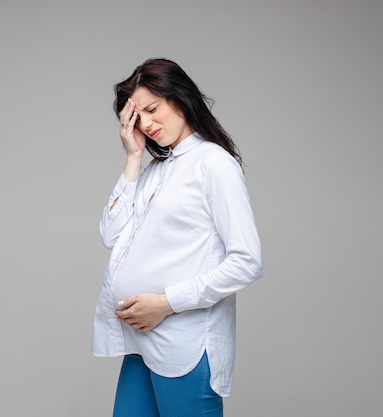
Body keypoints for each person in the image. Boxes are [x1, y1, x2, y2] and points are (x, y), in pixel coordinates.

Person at [92, 58, 263, 417]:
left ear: (180, 97)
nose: (148, 125)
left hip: (184, 346)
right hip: (142, 342)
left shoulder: (213, 163)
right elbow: (111, 234)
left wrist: (166, 303)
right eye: (139, 119)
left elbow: (247, 261)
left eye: (153, 109)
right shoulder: (156, 170)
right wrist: (134, 157)